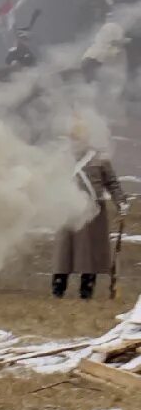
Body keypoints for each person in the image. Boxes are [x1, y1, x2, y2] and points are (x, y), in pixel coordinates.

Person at [55, 116, 128, 299]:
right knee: (64, 254)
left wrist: (121, 203)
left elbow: (112, 183)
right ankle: (58, 288)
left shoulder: (100, 159)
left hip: (93, 211)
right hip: (68, 209)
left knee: (90, 255)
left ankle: (86, 291)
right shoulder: (62, 158)